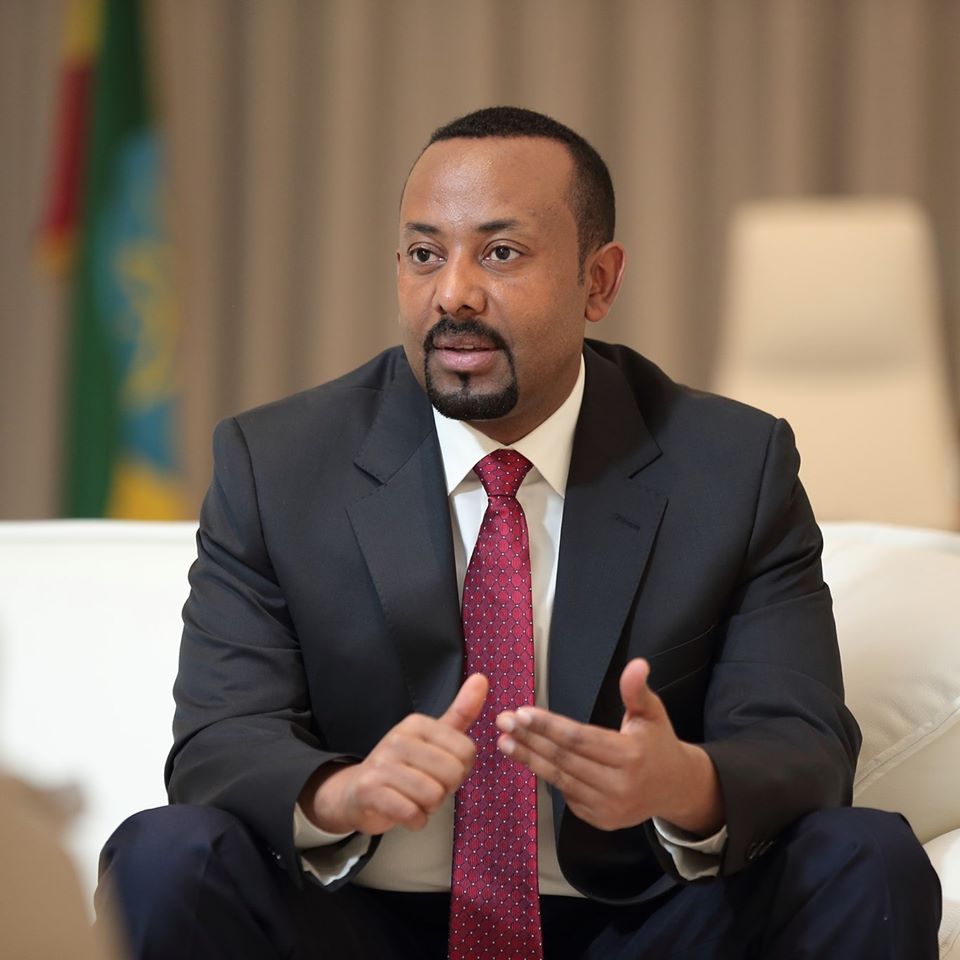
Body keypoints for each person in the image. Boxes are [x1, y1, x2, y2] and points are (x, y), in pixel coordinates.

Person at [96, 106, 941, 959]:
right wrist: (340, 795)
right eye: (425, 254)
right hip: (361, 925)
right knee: (163, 855)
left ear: (598, 282)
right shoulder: (279, 464)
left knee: (865, 859)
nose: (453, 293)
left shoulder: (730, 467)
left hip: (637, 925)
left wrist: (683, 783)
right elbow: (219, 741)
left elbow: (801, 742)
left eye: (500, 253)